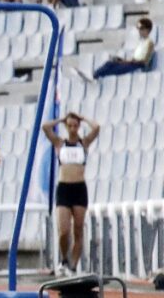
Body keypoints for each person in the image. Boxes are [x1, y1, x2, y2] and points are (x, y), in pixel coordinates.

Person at [41, 112, 99, 275]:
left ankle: (73, 264)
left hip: (79, 188)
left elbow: (96, 128)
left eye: (75, 126)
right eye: (70, 126)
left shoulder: (84, 143)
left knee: (78, 229)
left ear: (79, 126)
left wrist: (83, 117)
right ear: (66, 127)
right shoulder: (60, 143)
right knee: (64, 230)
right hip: (64, 188)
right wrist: (62, 119)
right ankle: (64, 259)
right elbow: (45, 127)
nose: (73, 129)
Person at [80, 18, 155, 80]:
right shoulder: (141, 43)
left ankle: (95, 76)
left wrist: (127, 62)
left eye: (141, 28)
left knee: (111, 68)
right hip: (132, 64)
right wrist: (123, 60)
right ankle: (95, 75)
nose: (139, 31)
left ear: (147, 30)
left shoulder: (149, 43)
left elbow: (144, 61)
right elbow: (135, 59)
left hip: (137, 66)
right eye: (138, 28)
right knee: (110, 63)